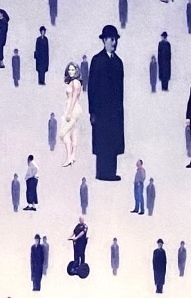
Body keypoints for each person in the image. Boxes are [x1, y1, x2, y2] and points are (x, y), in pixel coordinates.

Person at [88, 24, 124, 181]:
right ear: (104, 41)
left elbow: (120, 91)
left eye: (115, 39)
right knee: (103, 142)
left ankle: (111, 173)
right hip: (101, 112)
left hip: (115, 112)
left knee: (113, 142)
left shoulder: (118, 62)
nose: (114, 42)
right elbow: (92, 88)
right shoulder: (97, 60)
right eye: (111, 39)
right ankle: (102, 173)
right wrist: (92, 112)